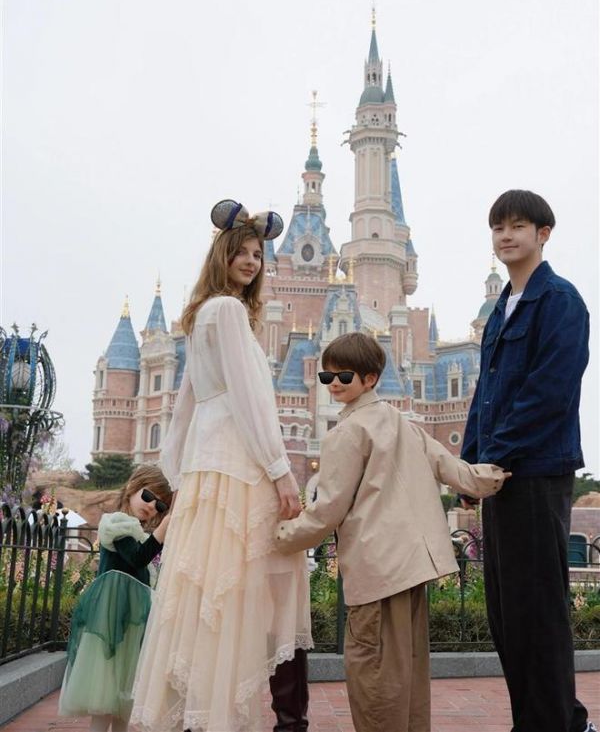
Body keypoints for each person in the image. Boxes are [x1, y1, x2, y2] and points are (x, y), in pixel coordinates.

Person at [131, 200, 312, 732]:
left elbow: (185, 405)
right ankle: (272, 719)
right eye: (243, 252)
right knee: (260, 591)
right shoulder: (229, 312)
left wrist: (179, 475)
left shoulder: (202, 316)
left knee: (208, 596)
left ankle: (202, 715)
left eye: (258, 254)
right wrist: (280, 470)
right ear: (223, 255)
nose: (252, 261)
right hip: (240, 468)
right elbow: (251, 399)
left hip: (209, 470)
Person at [275, 331, 510, 732]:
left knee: (374, 675)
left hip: (377, 571)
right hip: (413, 570)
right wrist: (501, 473)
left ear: (370, 378)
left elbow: (327, 510)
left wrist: (279, 537)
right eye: (326, 377)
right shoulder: (404, 424)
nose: (333, 384)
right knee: (408, 674)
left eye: (343, 376)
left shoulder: (346, 433)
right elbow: (456, 471)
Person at [461, 189, 595, 732]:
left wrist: (492, 456)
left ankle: (556, 724)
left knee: (537, 609)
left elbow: (549, 392)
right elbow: (485, 395)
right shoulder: (501, 309)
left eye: (518, 226)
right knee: (508, 613)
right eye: (499, 227)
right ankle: (554, 720)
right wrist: (468, 465)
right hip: (498, 477)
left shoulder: (560, 301)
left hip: (537, 472)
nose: (506, 236)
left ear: (543, 234)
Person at [59, 464, 172, 732]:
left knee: (125, 693)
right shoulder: (117, 522)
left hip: (132, 622)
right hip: (109, 619)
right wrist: (165, 527)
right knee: (105, 689)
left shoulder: (140, 533)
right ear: (133, 487)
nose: (152, 506)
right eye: (148, 496)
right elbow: (136, 557)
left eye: (160, 505)